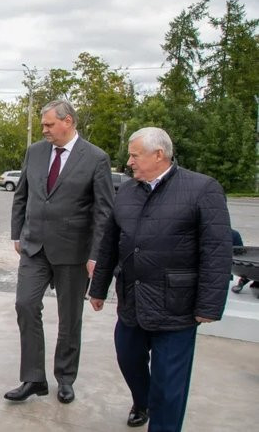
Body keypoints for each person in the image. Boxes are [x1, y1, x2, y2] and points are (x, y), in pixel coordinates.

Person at [88, 127, 232, 430]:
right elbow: (110, 244)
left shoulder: (202, 189)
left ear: (159, 154)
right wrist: (98, 289)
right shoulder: (126, 191)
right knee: (128, 358)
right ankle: (143, 401)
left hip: (176, 307)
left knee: (169, 386)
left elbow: (217, 251)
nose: (129, 162)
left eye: (134, 155)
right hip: (132, 302)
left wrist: (209, 305)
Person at [5, 99, 114, 404]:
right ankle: (33, 378)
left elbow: (104, 212)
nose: (45, 130)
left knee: (69, 318)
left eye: (49, 124)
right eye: (43, 125)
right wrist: (17, 234)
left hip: (73, 252)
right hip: (34, 247)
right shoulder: (35, 152)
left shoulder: (96, 158)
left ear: (68, 122)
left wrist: (95, 255)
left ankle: (65, 378)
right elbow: (22, 195)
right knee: (25, 305)